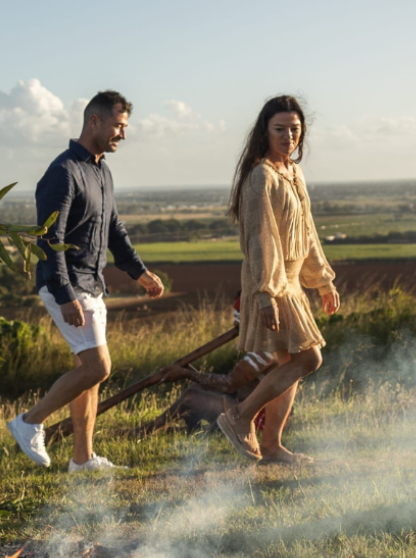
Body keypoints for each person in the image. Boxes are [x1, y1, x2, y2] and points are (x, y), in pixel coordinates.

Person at [7, 91, 163, 471]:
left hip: (92, 284)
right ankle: (28, 422)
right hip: (67, 285)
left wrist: (139, 272)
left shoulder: (101, 171)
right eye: (119, 126)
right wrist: (64, 295)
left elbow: (113, 230)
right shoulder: (62, 173)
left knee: (88, 376)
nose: (122, 135)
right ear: (94, 121)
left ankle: (82, 458)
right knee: (98, 367)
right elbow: (49, 239)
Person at [216, 96, 340, 464]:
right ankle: (239, 416)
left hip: (292, 283)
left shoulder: (293, 172)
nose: (289, 136)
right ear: (265, 132)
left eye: (295, 129)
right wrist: (267, 293)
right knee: (308, 359)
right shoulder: (261, 177)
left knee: (291, 368)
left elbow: (307, 232)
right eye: (280, 129)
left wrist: (322, 280)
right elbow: (261, 239)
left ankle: (271, 446)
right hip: (271, 282)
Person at [141, 295, 278, 434]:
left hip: (259, 418)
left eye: (239, 323)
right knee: (196, 387)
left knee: (191, 397)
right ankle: (194, 430)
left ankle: (144, 432)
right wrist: (192, 374)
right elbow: (236, 385)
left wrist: (186, 374)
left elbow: (230, 385)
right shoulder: (263, 345)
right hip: (244, 406)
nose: (236, 327)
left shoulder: (267, 351)